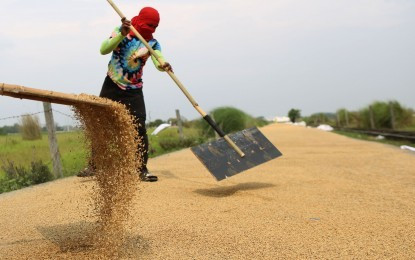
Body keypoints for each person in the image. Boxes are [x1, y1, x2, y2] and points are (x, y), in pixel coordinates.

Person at [78, 7, 171, 181]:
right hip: (112, 84)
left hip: (134, 90)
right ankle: (94, 165)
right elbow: (103, 49)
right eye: (149, 25)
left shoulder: (152, 43)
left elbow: (159, 59)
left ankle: (140, 169)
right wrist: (121, 33)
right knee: (101, 127)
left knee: (139, 128)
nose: (151, 29)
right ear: (141, 20)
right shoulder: (125, 30)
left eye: (155, 26)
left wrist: (164, 65)